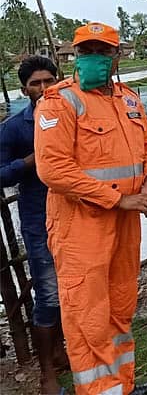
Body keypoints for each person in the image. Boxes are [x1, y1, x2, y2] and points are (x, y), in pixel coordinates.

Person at [34, 22, 147, 395]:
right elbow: (53, 169)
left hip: (124, 223)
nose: (95, 59)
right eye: (87, 51)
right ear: (75, 56)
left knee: (120, 304)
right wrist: (121, 198)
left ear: (117, 56)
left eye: (103, 51)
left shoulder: (129, 98)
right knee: (87, 315)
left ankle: (123, 385)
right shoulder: (60, 101)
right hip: (81, 227)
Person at [0, 56, 68, 395]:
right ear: (24, 88)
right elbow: (1, 173)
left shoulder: (71, 115)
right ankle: (46, 373)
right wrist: (31, 160)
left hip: (75, 214)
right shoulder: (14, 128)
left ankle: (62, 350)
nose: (43, 89)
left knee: (74, 289)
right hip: (39, 218)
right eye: (35, 84)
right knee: (49, 294)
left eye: (48, 81)